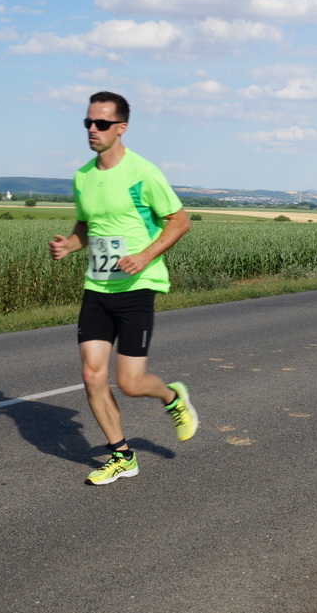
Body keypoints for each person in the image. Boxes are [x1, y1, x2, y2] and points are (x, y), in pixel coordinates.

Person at [49, 91, 197, 486]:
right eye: (87, 123)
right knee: (91, 375)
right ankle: (122, 455)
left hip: (136, 287)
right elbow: (85, 229)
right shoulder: (83, 176)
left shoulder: (143, 172)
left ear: (121, 127)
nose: (92, 130)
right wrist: (69, 244)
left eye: (101, 124)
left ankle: (172, 397)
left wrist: (146, 255)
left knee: (130, 383)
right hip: (97, 287)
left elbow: (179, 221)